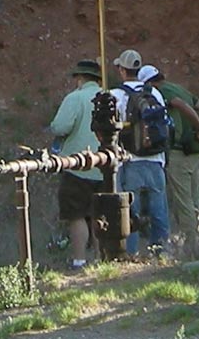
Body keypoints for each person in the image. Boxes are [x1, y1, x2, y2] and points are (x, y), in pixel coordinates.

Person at [46, 60, 111, 272]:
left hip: (76, 166)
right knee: (99, 215)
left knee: (77, 215)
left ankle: (80, 260)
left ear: (80, 78)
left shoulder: (75, 98)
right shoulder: (109, 97)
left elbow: (60, 126)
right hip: (105, 166)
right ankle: (101, 259)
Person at [141, 66, 199, 244]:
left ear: (149, 83)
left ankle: (191, 245)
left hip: (179, 151)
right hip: (195, 151)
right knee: (193, 199)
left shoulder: (163, 91)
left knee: (184, 202)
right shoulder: (178, 88)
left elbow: (179, 105)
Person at [113, 58, 174, 257]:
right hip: (156, 159)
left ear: (122, 70)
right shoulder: (153, 92)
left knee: (130, 211)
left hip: (130, 160)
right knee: (159, 209)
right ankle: (162, 252)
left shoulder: (116, 94)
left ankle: (130, 254)